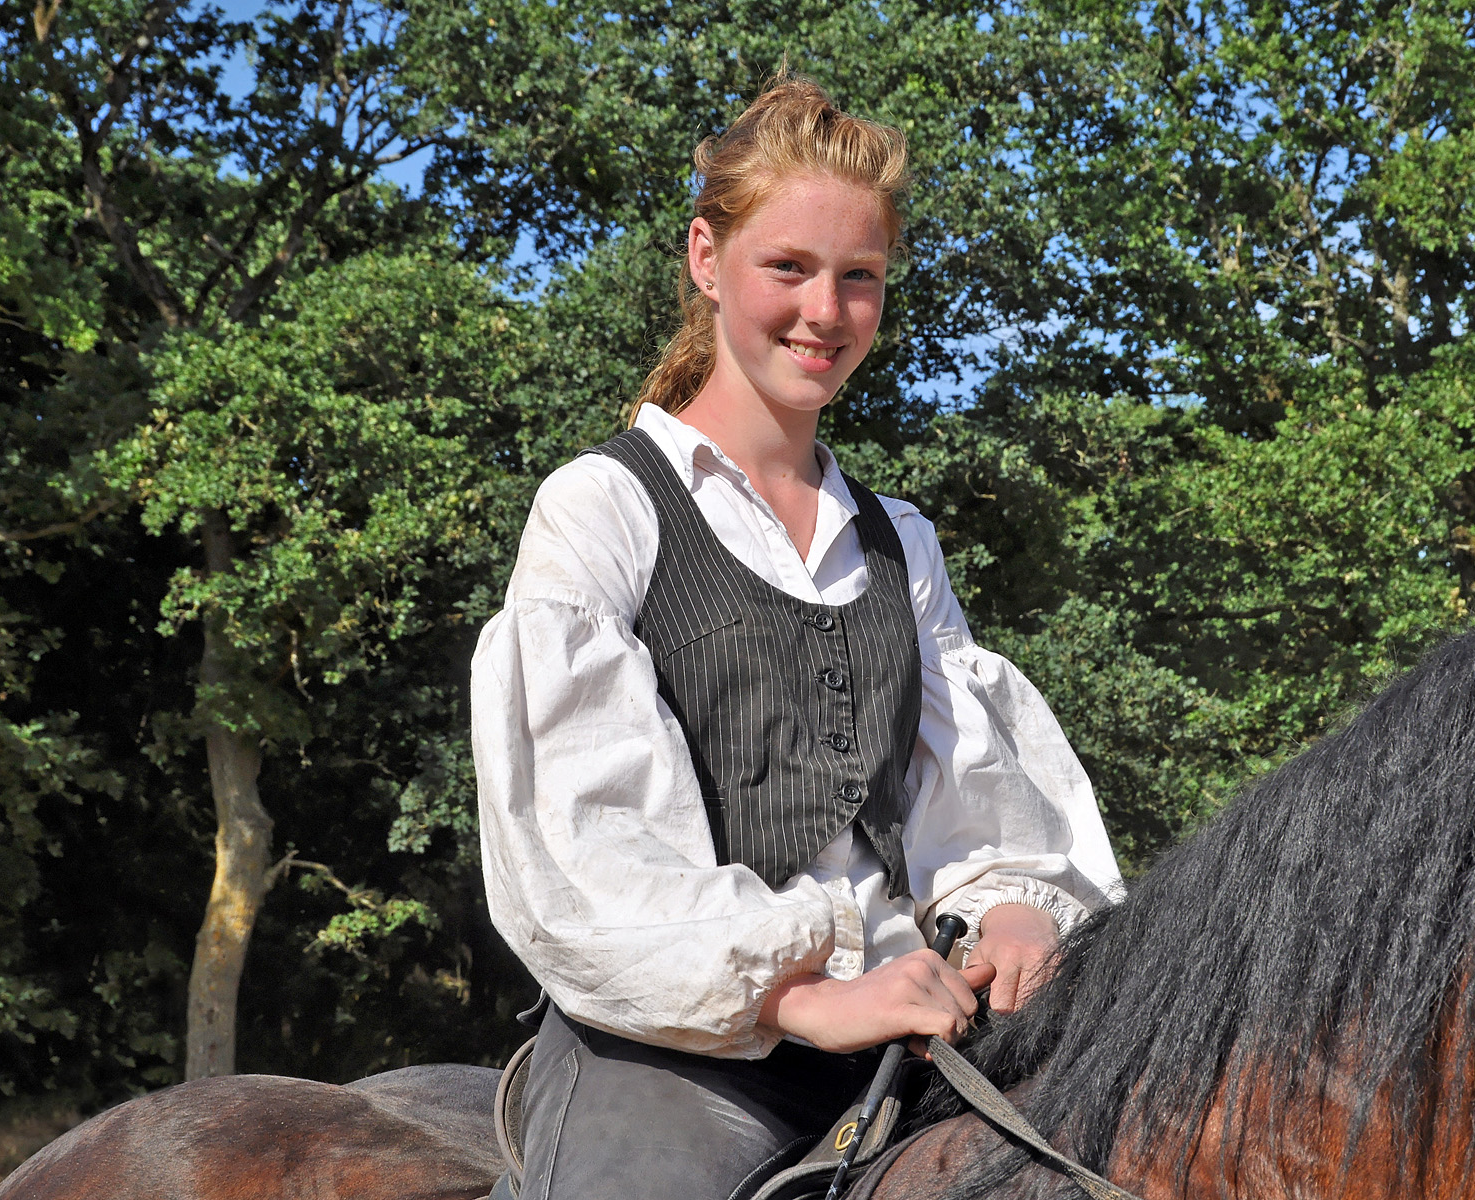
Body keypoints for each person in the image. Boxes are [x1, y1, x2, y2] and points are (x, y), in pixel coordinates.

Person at [471, 73, 1122, 1200]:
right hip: (677, 1050)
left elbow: (974, 807)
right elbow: (584, 841)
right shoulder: (604, 506)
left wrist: (1016, 906)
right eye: (788, 267)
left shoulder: (899, 541)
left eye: (858, 276)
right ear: (706, 259)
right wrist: (802, 995)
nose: (825, 311)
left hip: (918, 1025)